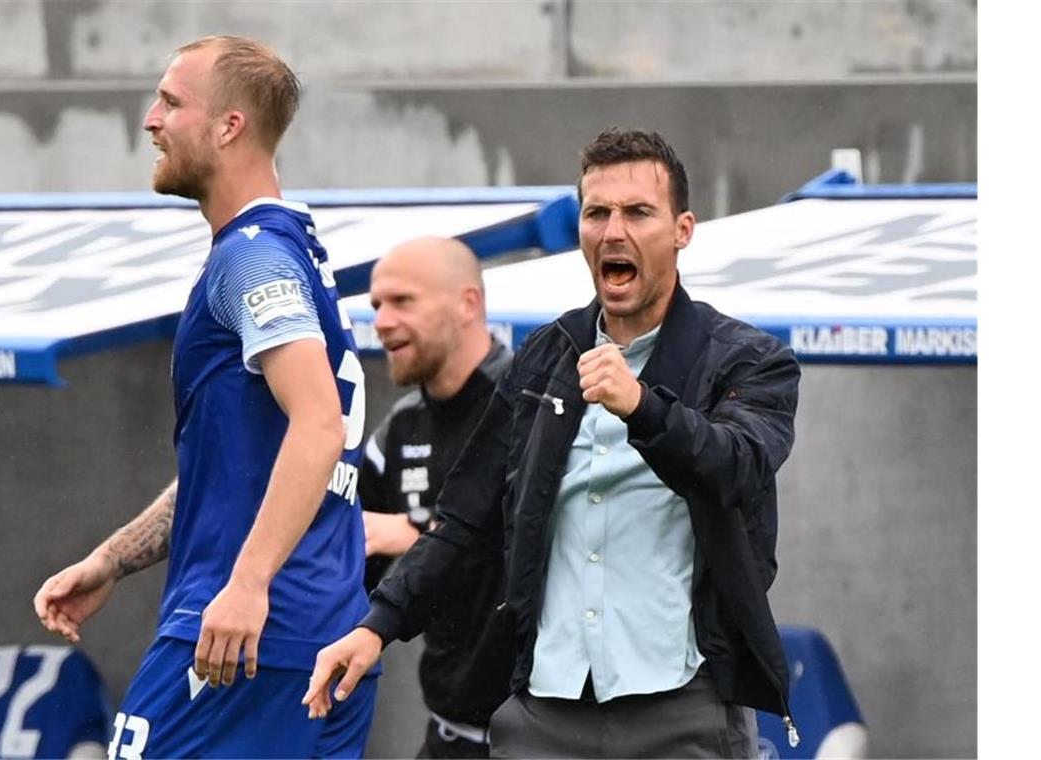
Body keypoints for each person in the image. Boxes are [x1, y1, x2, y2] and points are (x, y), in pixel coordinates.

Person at [303, 127, 803, 759]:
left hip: (684, 708)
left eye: (638, 212)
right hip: (545, 712)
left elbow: (737, 466)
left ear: (682, 231)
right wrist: (377, 627)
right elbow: (464, 520)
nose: (614, 230)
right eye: (597, 213)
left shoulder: (749, 359)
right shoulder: (547, 356)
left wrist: (643, 408)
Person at [32, 35, 376, 759]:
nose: (150, 120)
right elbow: (241, 460)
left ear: (230, 127)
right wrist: (113, 558)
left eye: (170, 102)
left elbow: (318, 425)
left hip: (241, 638)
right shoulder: (294, 253)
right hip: (315, 633)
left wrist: (247, 585)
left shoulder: (252, 255)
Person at [359, 237, 514, 758]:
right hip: (449, 734)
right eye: (377, 304)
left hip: (546, 738)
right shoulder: (398, 431)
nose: (381, 321)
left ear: (468, 304)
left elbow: (547, 546)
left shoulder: (532, 406)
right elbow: (358, 568)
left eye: (402, 301)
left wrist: (412, 535)